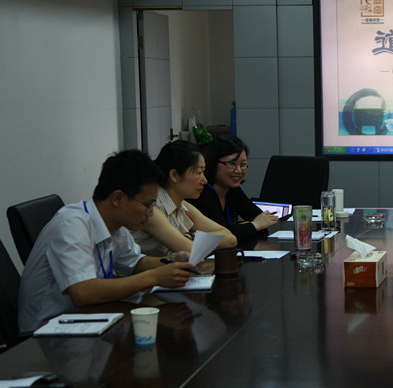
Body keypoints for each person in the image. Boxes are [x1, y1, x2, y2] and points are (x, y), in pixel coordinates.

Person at [18, 150, 196, 332]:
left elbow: (135, 262)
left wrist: (171, 261)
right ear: (118, 199)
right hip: (47, 333)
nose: (150, 213)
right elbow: (83, 292)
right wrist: (155, 277)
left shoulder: (116, 226)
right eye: (147, 205)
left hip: (91, 320)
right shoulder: (72, 224)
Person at [131, 140, 236, 257]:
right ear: (174, 175)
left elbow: (230, 238)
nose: (205, 180)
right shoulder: (152, 209)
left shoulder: (181, 205)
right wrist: (201, 240)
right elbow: (190, 251)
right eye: (199, 172)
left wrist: (191, 236)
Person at [188, 135, 278, 242]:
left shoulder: (232, 190)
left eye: (243, 165)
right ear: (213, 163)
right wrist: (254, 225)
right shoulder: (202, 192)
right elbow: (222, 232)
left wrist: (241, 227)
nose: (238, 170)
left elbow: (259, 216)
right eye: (232, 164)